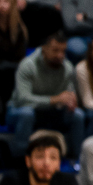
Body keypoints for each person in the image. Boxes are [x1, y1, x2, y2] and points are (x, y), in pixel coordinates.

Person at [9, 32, 85, 160]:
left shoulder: (67, 68)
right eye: (55, 50)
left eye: (63, 51)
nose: (60, 55)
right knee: (27, 114)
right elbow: (23, 100)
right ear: (44, 49)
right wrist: (54, 100)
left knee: (78, 115)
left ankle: (76, 160)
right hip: (20, 110)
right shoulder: (28, 65)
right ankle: (20, 159)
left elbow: (69, 94)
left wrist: (71, 101)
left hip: (51, 113)